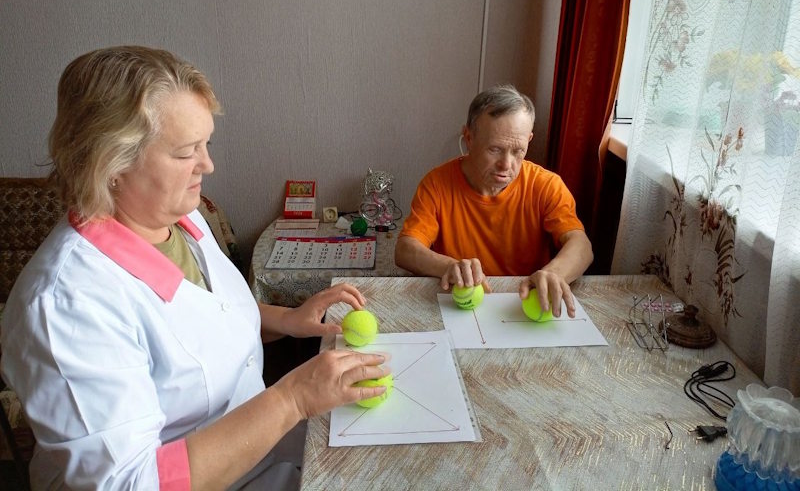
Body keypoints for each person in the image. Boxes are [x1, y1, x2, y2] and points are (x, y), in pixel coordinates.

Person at [0, 46, 389, 490]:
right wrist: (292, 400)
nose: (208, 165)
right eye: (186, 152)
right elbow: (132, 482)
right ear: (111, 162)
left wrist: (287, 320)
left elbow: (202, 318)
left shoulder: (181, 218)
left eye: (207, 144)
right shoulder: (66, 306)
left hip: (261, 450)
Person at [395, 84, 593, 318]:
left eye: (518, 150)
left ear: (529, 139)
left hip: (522, 305)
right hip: (458, 307)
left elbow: (581, 245)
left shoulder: (547, 185)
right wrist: (448, 266)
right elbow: (405, 250)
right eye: (495, 149)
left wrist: (555, 273)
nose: (506, 165)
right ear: (469, 138)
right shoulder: (436, 184)